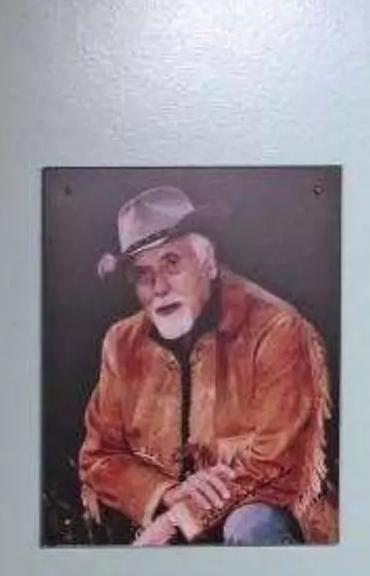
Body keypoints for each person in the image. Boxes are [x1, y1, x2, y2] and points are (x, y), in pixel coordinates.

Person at [77, 186, 336, 546]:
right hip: (168, 515)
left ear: (208, 263)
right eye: (143, 274)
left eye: (171, 263)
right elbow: (99, 458)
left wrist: (174, 523)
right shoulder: (121, 343)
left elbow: (276, 463)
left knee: (249, 526)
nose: (159, 287)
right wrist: (166, 492)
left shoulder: (277, 329)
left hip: (263, 516)